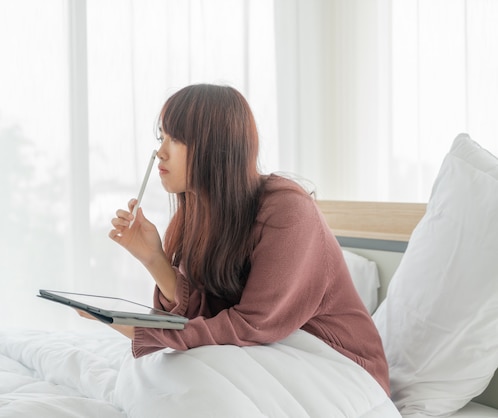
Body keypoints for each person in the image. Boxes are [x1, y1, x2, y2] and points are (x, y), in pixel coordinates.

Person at [95, 84, 390, 395]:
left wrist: (148, 333)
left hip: (341, 368)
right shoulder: (199, 212)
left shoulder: (288, 210)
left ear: (215, 147)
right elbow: (206, 316)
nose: (160, 151)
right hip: (270, 354)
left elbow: (253, 326)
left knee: (173, 377)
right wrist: (154, 258)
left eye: (176, 139)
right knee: (165, 377)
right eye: (161, 137)